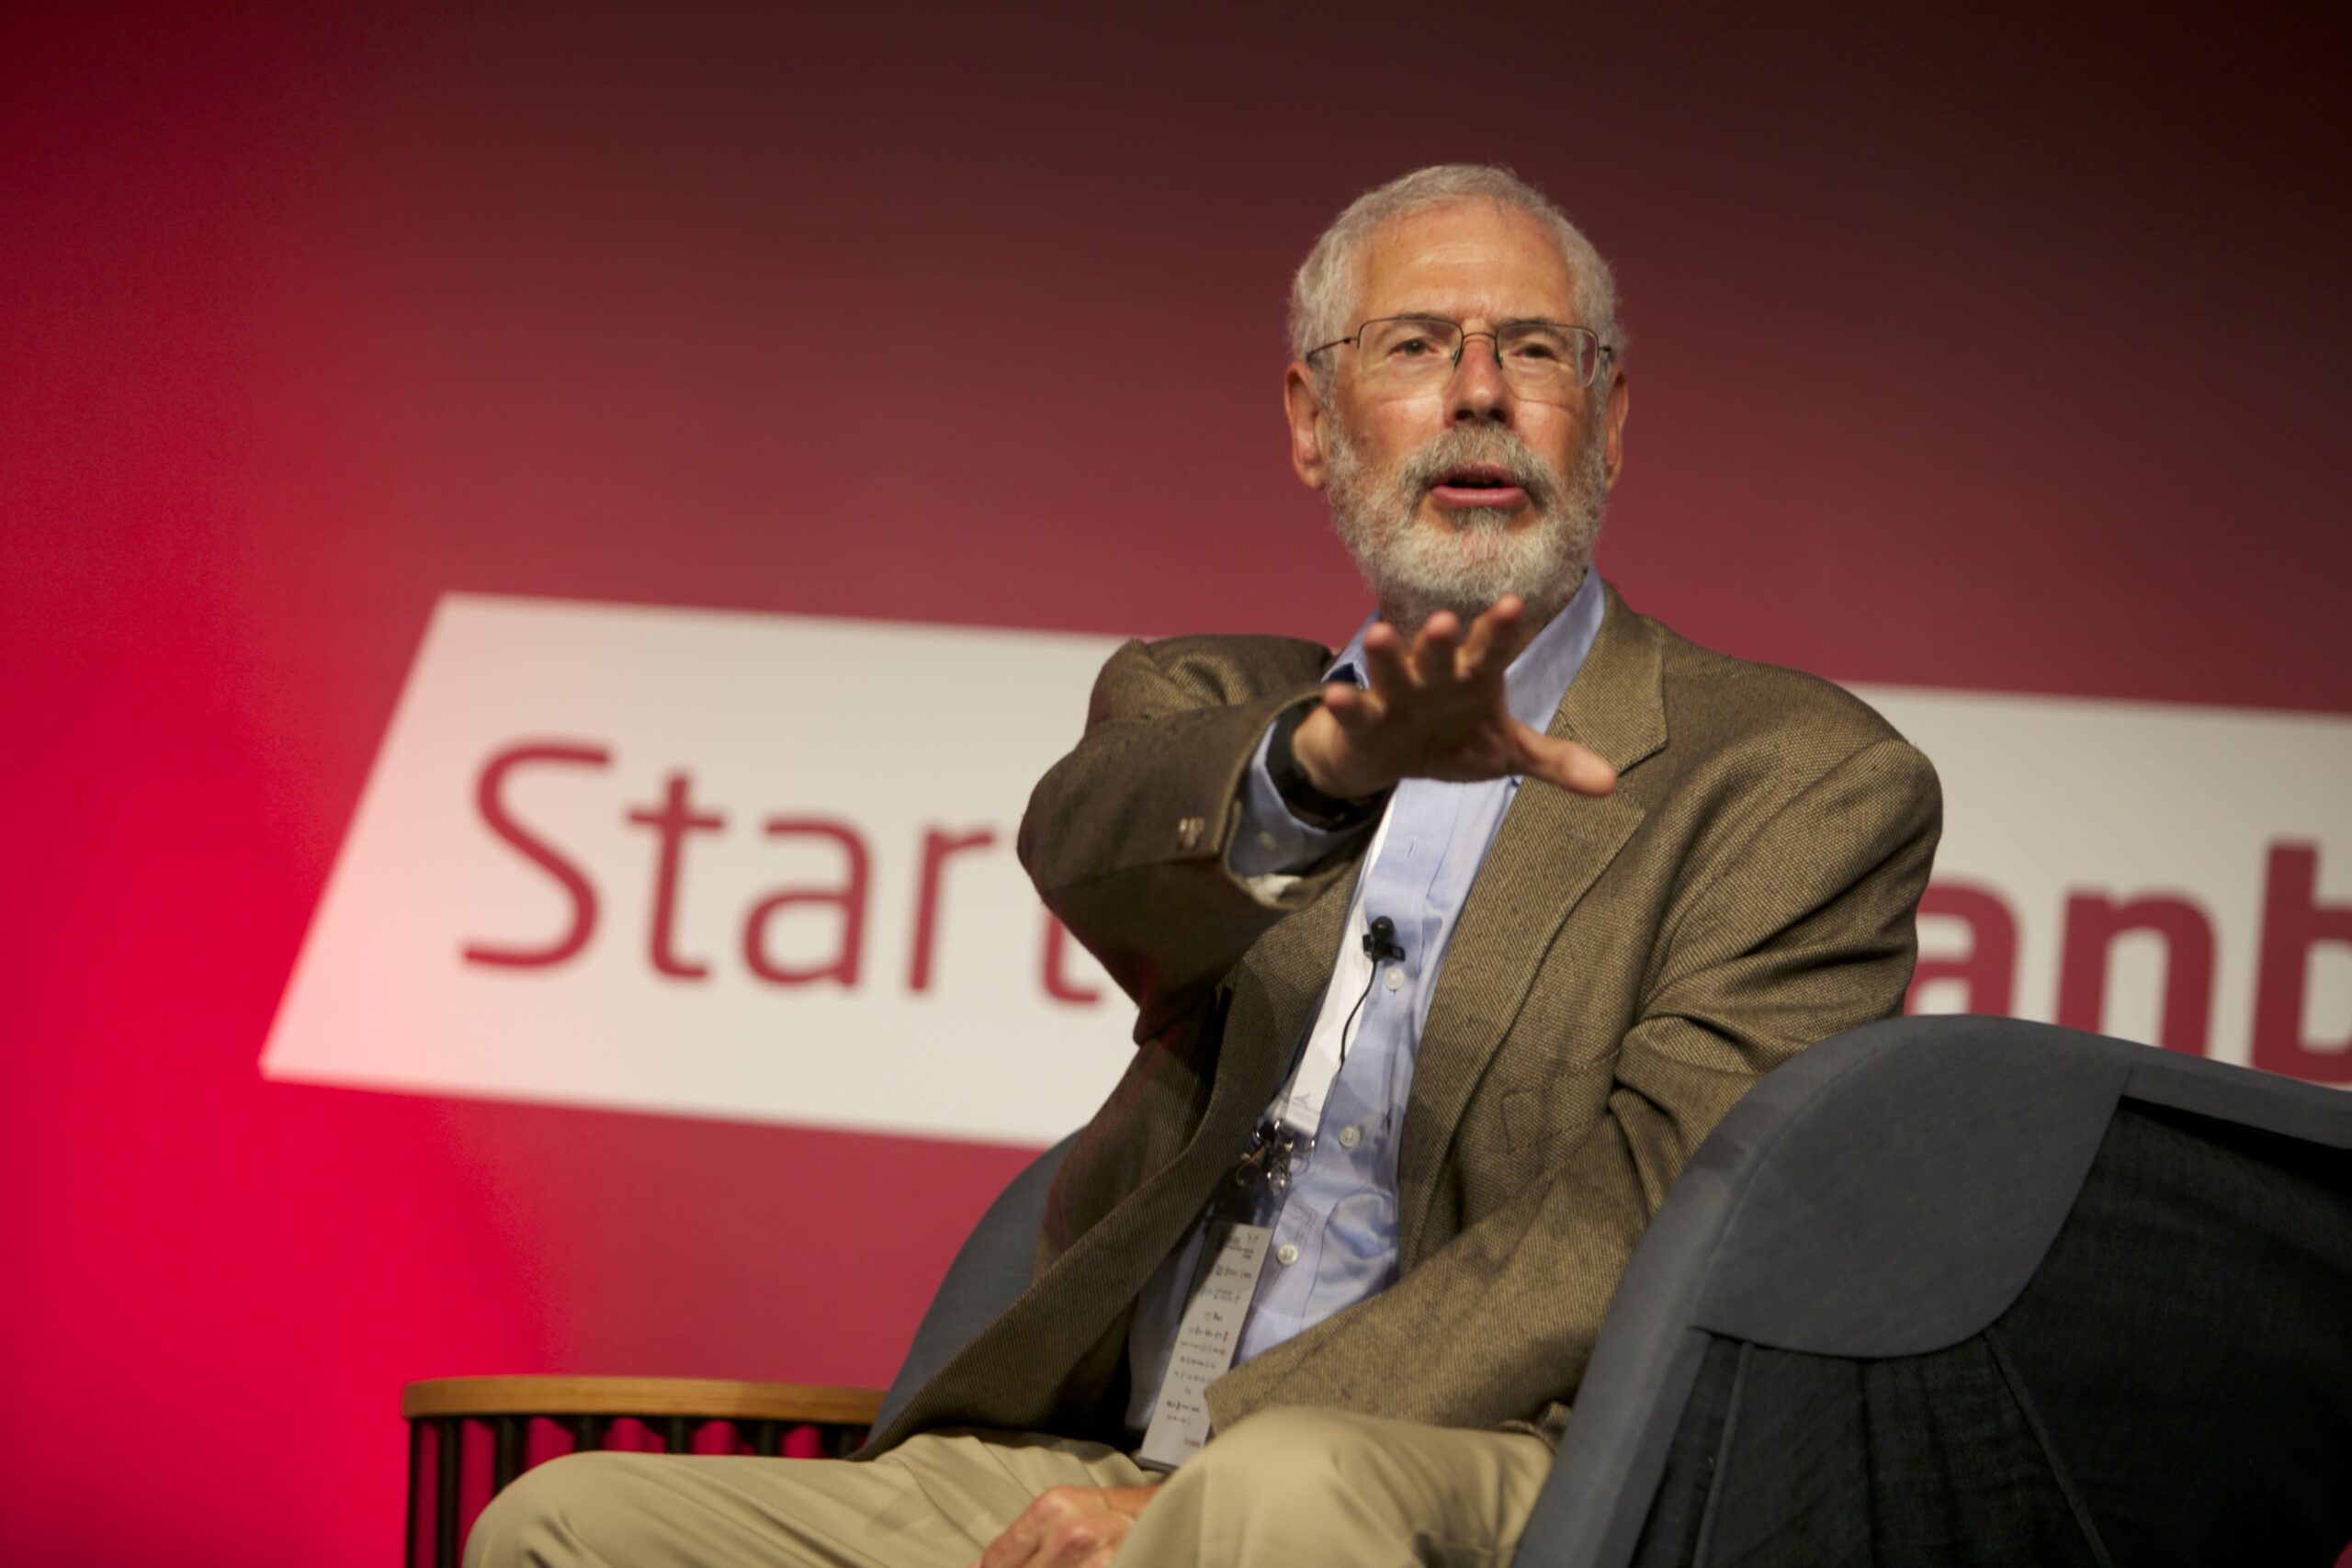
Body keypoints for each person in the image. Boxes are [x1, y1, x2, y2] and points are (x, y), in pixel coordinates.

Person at [469, 164, 1941, 1568]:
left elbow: (1644, 1221)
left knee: (1274, 1499)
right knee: (567, 1527)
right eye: (1416, 344)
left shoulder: (1795, 782)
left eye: (1535, 350)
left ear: (1607, 422)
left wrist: (1202, 1483)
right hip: (1111, 1447)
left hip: (1514, 1469)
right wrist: (1324, 765)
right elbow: (1091, 844)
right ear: (1312, 420)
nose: (1480, 391)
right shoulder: (1210, 704)